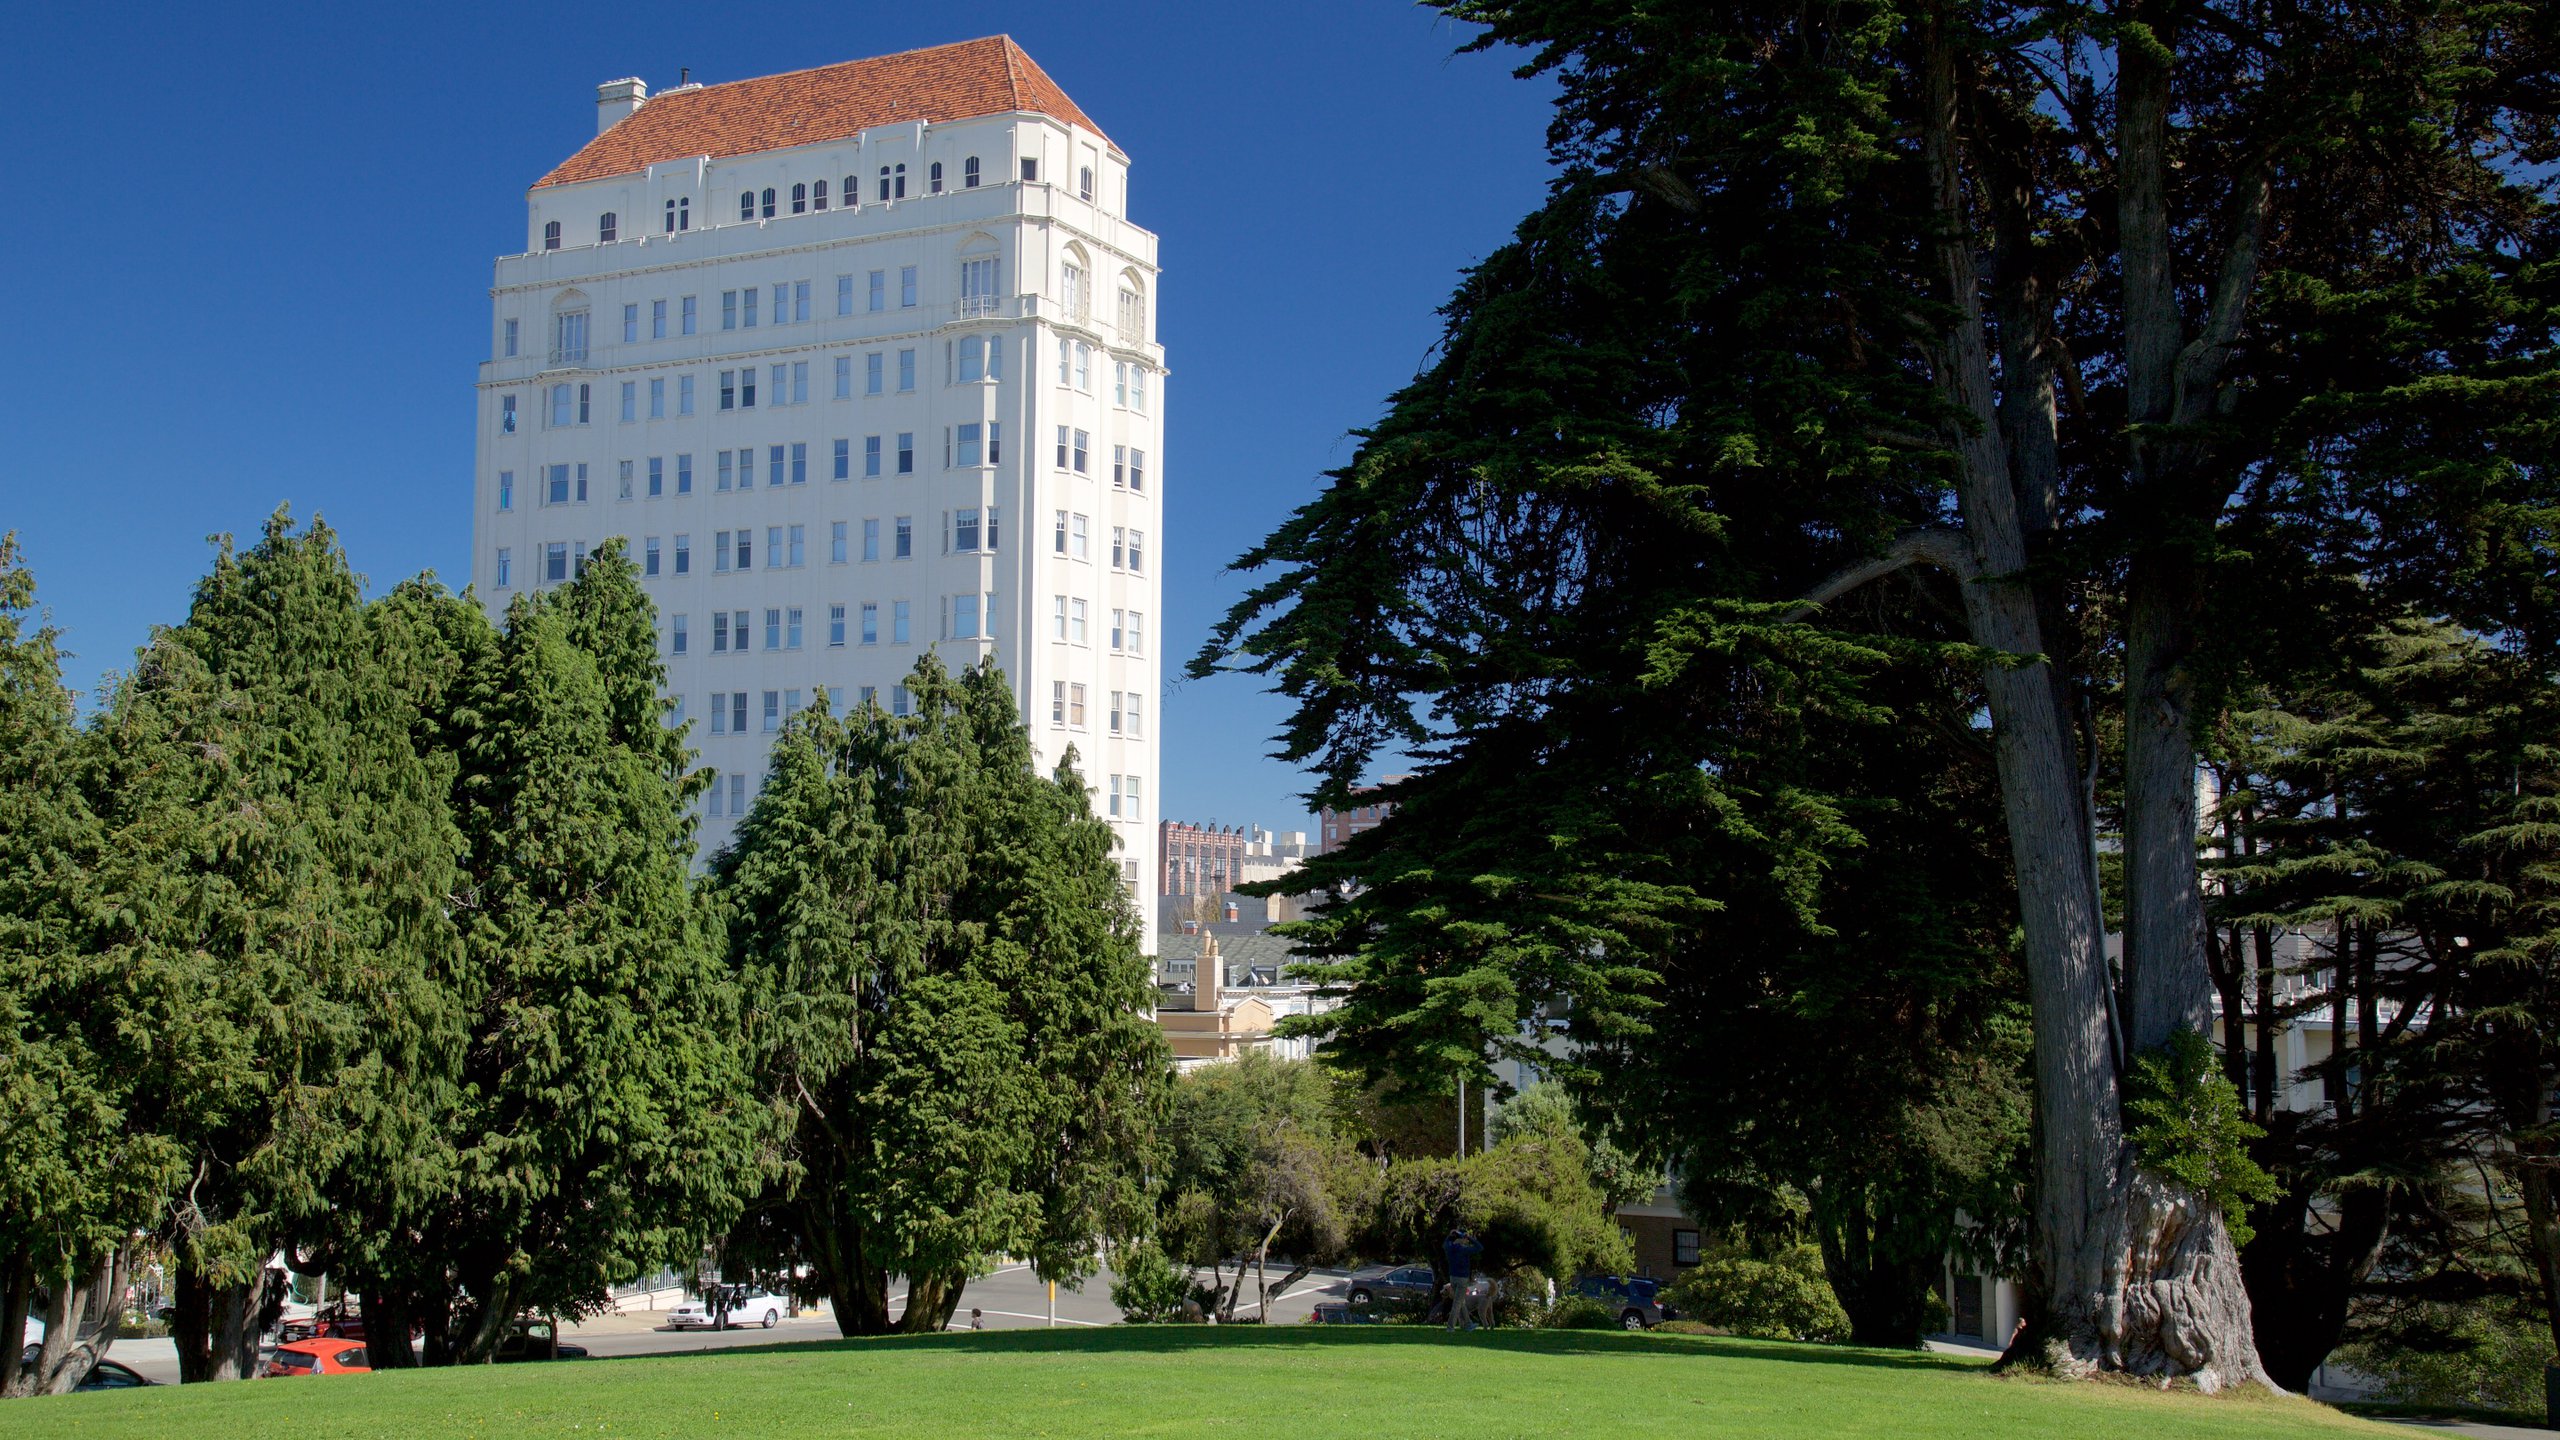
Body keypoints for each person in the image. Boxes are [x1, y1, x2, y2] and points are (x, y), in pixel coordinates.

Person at [1442, 1227, 1483, 1331]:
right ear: (1461, 1239)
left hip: (1453, 1277)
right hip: (1462, 1279)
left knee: (1461, 1302)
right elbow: (1480, 1247)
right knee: (1457, 1303)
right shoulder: (1463, 1250)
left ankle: (1468, 1324)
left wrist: (1450, 1235)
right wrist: (1470, 1238)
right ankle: (1450, 1327)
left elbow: (1445, 1243)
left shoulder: (1450, 1247)